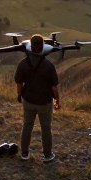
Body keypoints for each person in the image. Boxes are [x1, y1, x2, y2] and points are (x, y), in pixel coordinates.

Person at [14, 34, 60, 162]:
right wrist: (57, 100)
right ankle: (47, 155)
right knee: (46, 128)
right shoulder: (49, 66)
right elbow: (54, 88)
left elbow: (19, 84)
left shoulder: (23, 64)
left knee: (27, 126)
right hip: (45, 102)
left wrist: (19, 95)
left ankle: (24, 153)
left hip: (28, 100)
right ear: (42, 48)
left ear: (30, 47)